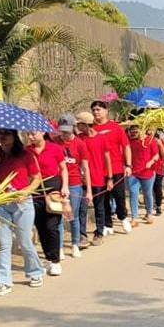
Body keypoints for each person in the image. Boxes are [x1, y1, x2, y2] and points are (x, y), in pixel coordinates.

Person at [0, 129, 45, 296]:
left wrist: (26, 192)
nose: (2, 137)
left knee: (24, 241)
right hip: (1, 203)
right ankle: (2, 280)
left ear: (14, 136)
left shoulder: (26, 155)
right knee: (4, 244)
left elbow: (37, 178)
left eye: (6, 133)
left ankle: (36, 272)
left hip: (23, 204)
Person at [27, 130, 68, 276]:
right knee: (41, 226)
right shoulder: (27, 151)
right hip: (34, 190)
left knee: (52, 226)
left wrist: (65, 186)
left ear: (42, 132)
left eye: (33, 133)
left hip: (53, 188)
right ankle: (48, 258)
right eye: (28, 134)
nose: (30, 136)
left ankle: (55, 261)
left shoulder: (55, 148)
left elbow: (63, 168)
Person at [54, 114, 92, 258]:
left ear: (73, 129)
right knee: (59, 215)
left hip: (75, 183)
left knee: (72, 216)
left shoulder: (80, 144)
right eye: (62, 131)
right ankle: (60, 247)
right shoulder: (55, 142)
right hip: (58, 183)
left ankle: (75, 244)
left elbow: (86, 168)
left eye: (67, 131)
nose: (64, 134)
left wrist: (88, 190)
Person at [91, 100, 131, 235]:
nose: (96, 112)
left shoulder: (115, 127)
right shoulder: (91, 129)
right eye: (94, 110)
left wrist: (128, 165)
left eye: (98, 109)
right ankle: (108, 224)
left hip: (116, 168)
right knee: (104, 199)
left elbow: (126, 146)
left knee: (119, 196)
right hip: (99, 170)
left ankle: (123, 217)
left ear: (106, 111)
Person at [76, 111, 112, 246]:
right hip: (82, 180)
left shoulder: (101, 138)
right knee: (82, 208)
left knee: (99, 207)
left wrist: (109, 178)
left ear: (85, 125)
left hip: (98, 178)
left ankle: (99, 233)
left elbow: (107, 158)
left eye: (79, 124)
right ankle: (82, 235)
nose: (77, 127)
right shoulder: (78, 139)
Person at [127, 125, 159, 225]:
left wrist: (151, 162)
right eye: (132, 130)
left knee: (147, 193)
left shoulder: (150, 140)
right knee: (133, 193)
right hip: (134, 172)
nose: (133, 132)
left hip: (147, 172)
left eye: (136, 130)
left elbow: (156, 155)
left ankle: (149, 213)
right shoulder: (129, 141)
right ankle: (134, 217)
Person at [152, 132, 164, 216]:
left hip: (159, 167)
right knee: (149, 188)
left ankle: (158, 206)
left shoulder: (160, 139)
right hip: (149, 167)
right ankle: (150, 208)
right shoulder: (145, 139)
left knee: (157, 186)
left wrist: (160, 144)